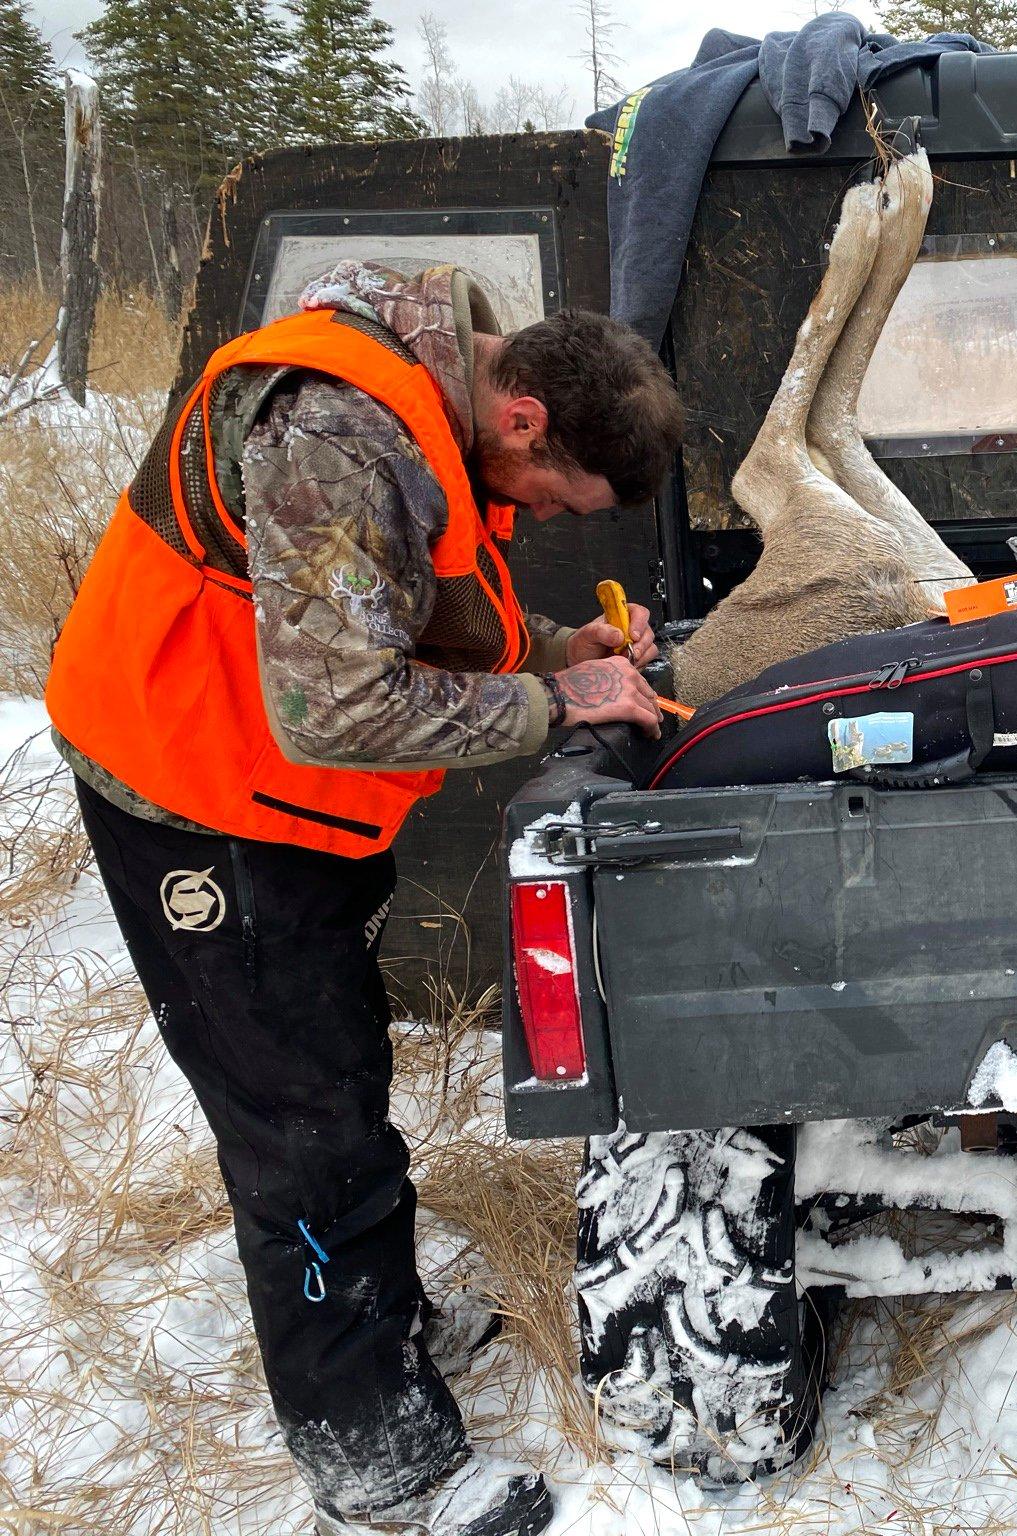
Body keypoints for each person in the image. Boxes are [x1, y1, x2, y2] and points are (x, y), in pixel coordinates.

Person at [45, 260, 689, 1535]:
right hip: (196, 796)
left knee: (335, 1061)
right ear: (525, 419)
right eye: (560, 499)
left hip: (269, 790)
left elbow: (412, 592)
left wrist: (560, 649)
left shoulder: (438, 405)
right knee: (302, 1123)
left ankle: (373, 1323)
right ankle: (377, 1459)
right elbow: (338, 702)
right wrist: (559, 705)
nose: (554, 523)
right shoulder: (337, 436)